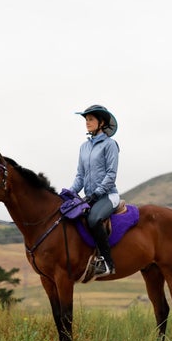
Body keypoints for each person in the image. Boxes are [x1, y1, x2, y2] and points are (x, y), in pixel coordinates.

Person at [69, 104, 120, 278]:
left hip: (108, 196)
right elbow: (80, 176)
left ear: (102, 122)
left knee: (94, 218)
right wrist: (70, 193)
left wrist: (96, 194)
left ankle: (107, 263)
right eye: (86, 120)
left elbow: (111, 175)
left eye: (91, 119)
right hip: (90, 197)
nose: (87, 123)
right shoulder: (84, 147)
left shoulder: (110, 144)